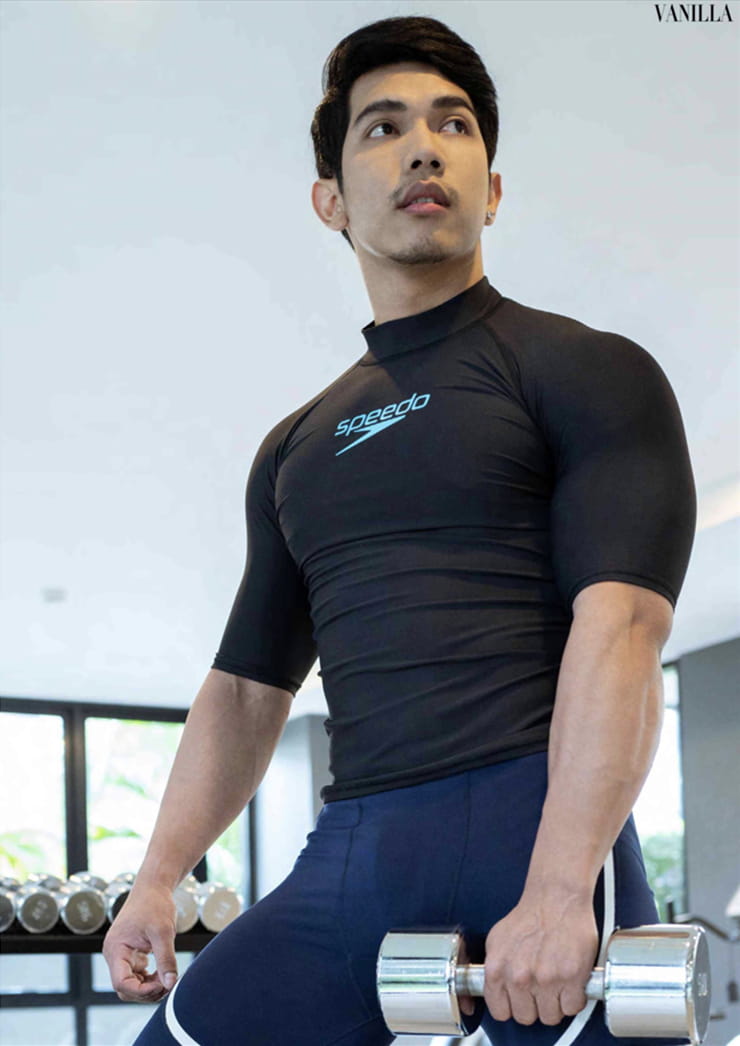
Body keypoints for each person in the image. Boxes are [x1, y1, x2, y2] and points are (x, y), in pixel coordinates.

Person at [103, 15, 697, 1046]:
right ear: (330, 200)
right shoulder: (293, 449)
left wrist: (561, 888)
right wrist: (159, 876)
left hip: (536, 829)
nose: (424, 147)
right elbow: (245, 687)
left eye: (452, 124)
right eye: (382, 128)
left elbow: (624, 627)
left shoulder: (587, 370)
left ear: (491, 188)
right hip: (352, 854)